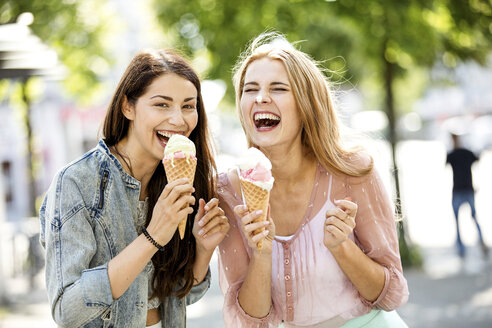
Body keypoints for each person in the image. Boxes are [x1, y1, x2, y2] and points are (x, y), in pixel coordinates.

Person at [217, 32, 409, 328]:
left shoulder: (353, 171)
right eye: (249, 89)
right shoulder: (228, 191)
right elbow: (249, 324)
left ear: (306, 103)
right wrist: (261, 254)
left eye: (278, 88)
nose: (261, 98)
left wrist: (342, 247)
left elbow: (392, 294)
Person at [39, 49, 229, 327]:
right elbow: (67, 311)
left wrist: (203, 249)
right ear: (128, 106)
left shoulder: (179, 180)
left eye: (188, 106)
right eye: (162, 104)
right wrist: (152, 237)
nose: (178, 120)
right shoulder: (76, 182)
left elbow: (181, 295)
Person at [446, 133, 488, 258]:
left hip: (463, 190)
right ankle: (464, 248)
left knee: (468, 219)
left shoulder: (454, 154)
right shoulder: (461, 153)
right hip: (463, 190)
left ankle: (470, 246)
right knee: (467, 219)